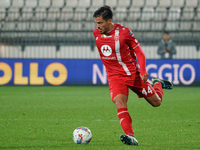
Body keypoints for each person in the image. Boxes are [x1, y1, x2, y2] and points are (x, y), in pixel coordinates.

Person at [93, 5, 173, 146]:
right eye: (96, 23)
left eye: (100, 23)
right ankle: (131, 136)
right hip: (114, 77)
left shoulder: (125, 33)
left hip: (133, 75)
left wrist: (143, 71)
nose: (97, 26)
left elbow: (139, 52)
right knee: (119, 102)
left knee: (157, 102)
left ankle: (157, 83)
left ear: (109, 20)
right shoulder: (96, 33)